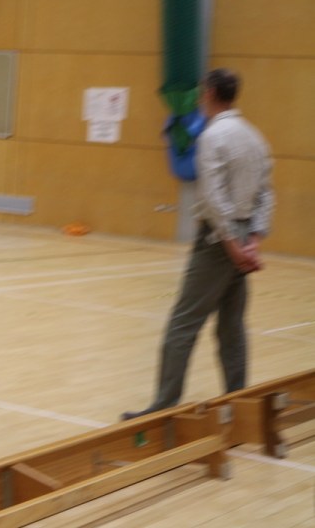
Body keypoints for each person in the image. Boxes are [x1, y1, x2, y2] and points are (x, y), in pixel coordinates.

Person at [121, 68, 275, 420]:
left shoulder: (212, 136)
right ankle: (239, 404)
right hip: (242, 235)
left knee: (183, 324)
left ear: (207, 93)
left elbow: (212, 197)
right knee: (231, 327)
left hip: (217, 241)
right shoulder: (254, 137)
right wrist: (253, 240)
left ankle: (162, 407)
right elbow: (266, 194)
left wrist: (232, 244)